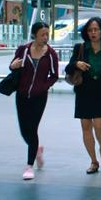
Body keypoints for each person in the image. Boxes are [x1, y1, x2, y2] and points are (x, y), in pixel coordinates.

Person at [65, 17, 101, 174]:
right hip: (83, 91)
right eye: (90, 30)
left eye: (96, 29)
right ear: (86, 32)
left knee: (99, 125)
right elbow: (68, 68)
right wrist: (76, 64)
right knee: (86, 126)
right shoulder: (80, 48)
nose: (93, 33)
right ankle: (94, 161)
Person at [10, 21, 59, 180]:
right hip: (22, 95)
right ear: (35, 35)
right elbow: (12, 66)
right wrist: (13, 66)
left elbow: (54, 75)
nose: (45, 37)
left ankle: (29, 165)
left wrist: (43, 86)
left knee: (32, 128)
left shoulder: (50, 54)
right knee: (24, 130)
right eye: (42, 34)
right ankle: (37, 148)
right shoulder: (23, 50)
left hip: (39, 97)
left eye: (47, 34)